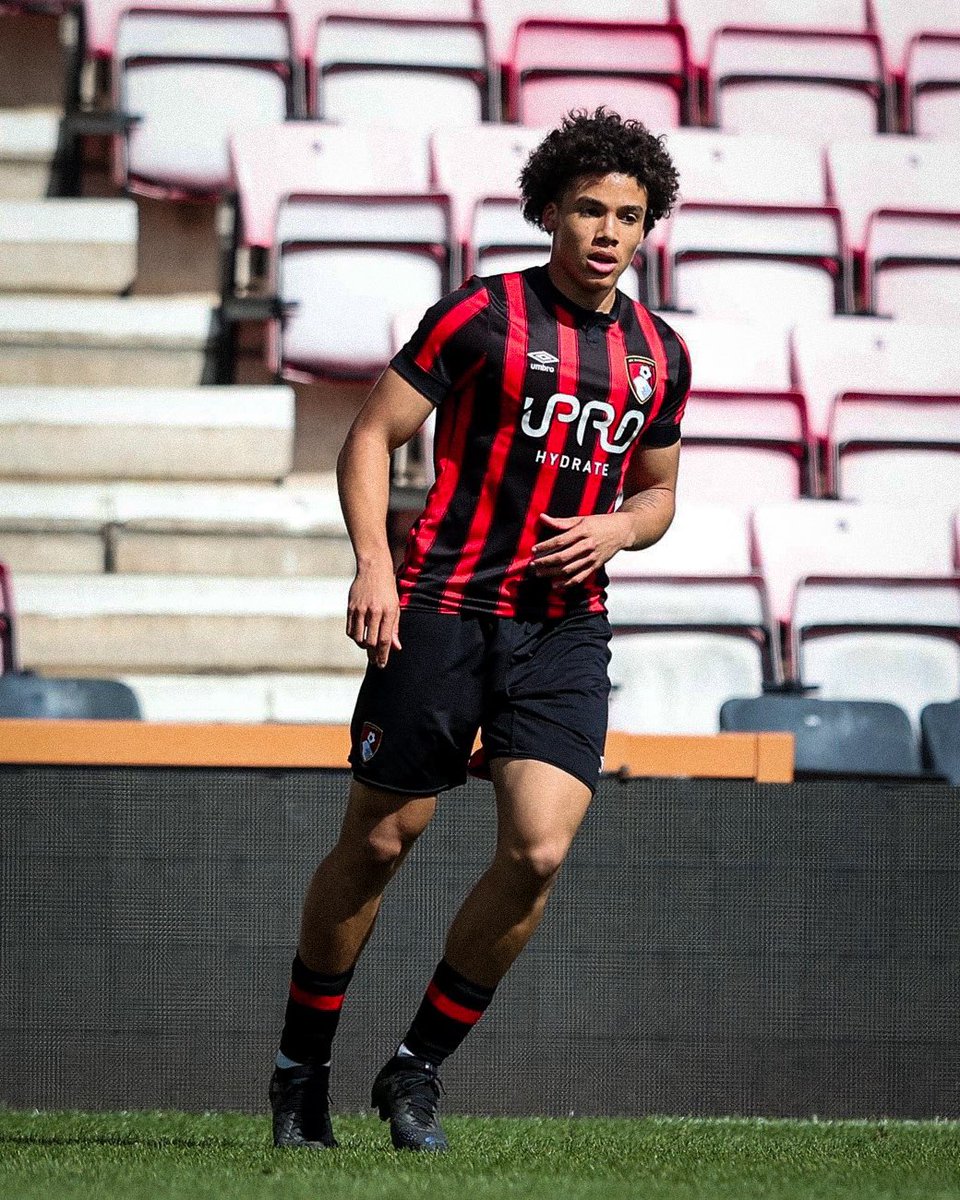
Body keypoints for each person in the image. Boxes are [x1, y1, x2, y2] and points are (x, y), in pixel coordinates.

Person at [269, 107, 691, 1153]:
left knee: (539, 850)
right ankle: (299, 1073)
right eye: (588, 208)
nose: (606, 231)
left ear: (647, 232)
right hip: (445, 610)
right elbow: (371, 434)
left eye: (628, 216)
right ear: (549, 209)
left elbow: (659, 496)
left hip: (563, 630)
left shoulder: (659, 356)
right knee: (377, 843)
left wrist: (621, 527)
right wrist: (374, 560)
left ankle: (414, 1073)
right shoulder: (480, 317)